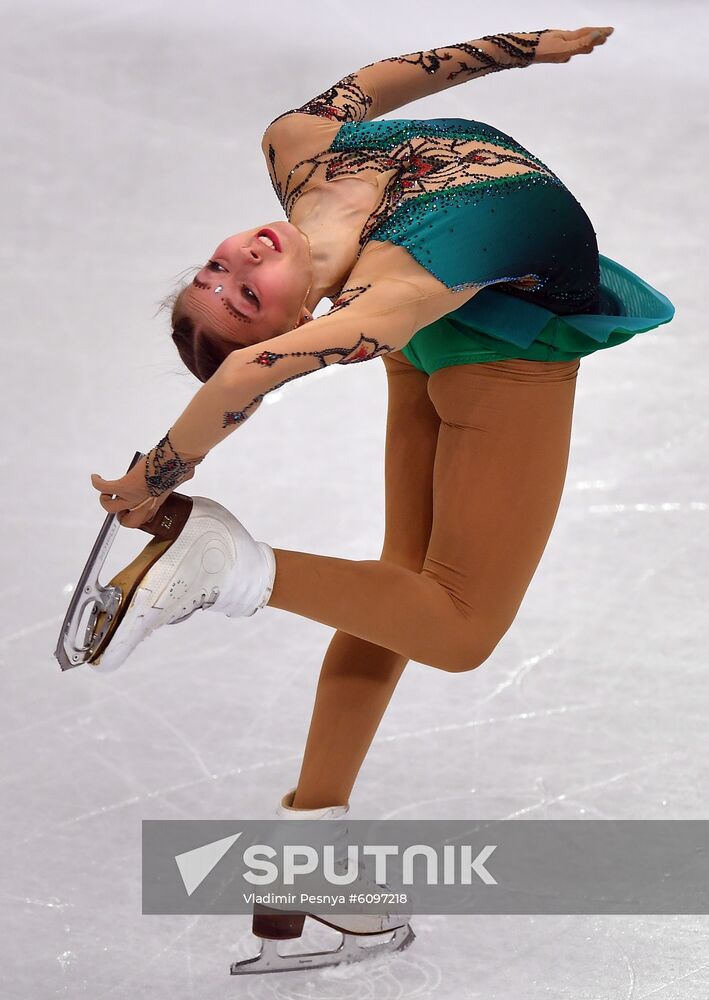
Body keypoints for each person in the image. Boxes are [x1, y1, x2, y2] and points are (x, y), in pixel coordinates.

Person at [85, 25, 674, 970]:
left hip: (445, 341)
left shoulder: (299, 152)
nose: (239, 262)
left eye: (216, 268)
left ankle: (305, 855)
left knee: (399, 590)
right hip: (503, 359)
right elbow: (247, 377)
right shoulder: (388, 296)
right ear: (298, 322)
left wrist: (524, 48)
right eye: (245, 295)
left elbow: (378, 79)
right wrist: (156, 480)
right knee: (456, 628)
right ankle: (237, 568)